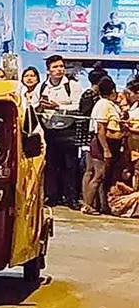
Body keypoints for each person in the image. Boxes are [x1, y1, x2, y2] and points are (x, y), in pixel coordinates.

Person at [38, 54, 84, 209]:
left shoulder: (72, 86)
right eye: (55, 67)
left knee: (70, 166)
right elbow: (33, 106)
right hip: (49, 131)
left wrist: (57, 107)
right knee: (51, 165)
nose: (59, 70)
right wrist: (41, 107)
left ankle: (71, 198)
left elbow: (78, 107)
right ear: (48, 70)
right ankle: (52, 196)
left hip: (68, 131)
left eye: (61, 66)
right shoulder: (42, 86)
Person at [81, 78, 124, 215]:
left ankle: (95, 204)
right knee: (98, 175)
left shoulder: (105, 104)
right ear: (113, 91)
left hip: (105, 143)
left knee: (97, 175)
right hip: (102, 143)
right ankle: (88, 205)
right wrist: (106, 149)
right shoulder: (104, 105)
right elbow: (101, 129)